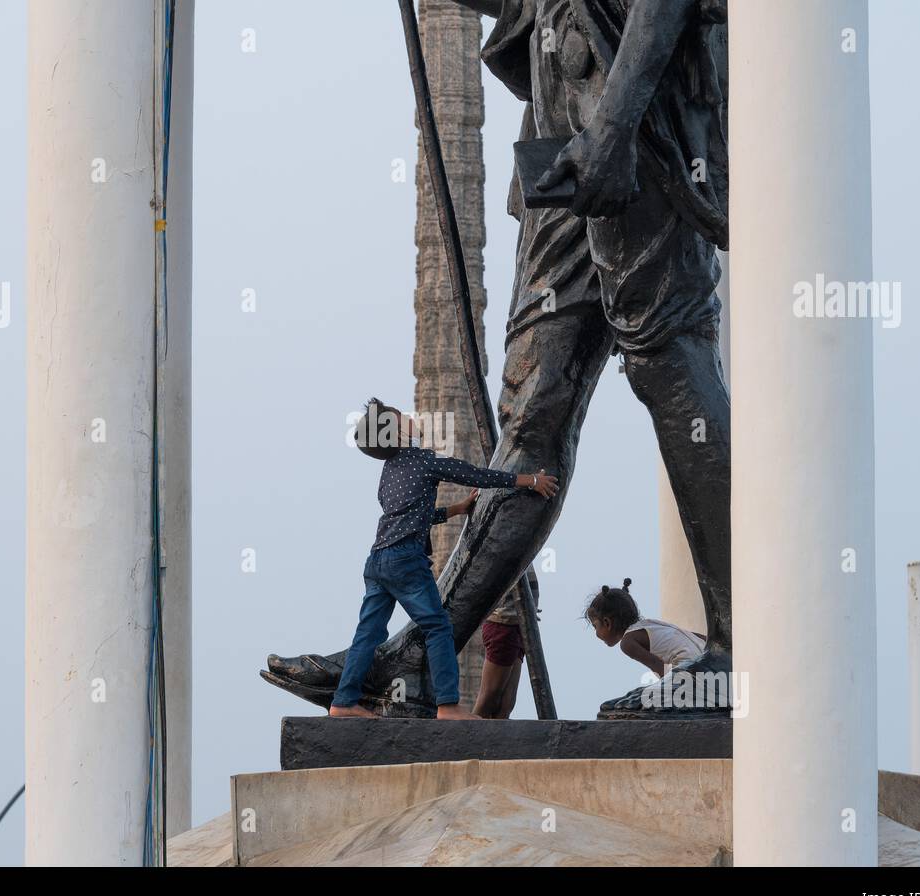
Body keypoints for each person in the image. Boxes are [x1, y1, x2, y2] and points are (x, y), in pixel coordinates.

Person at [264, 0, 732, 716]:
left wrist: (612, 127)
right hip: (560, 144)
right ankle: (421, 654)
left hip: (641, 130)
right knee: (533, 406)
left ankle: (739, 651)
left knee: (670, 362)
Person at [329, 399, 559, 720]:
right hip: (406, 561)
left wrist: (457, 509)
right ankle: (448, 705)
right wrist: (530, 481)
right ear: (394, 432)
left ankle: (343, 702)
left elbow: (416, 514)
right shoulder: (424, 461)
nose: (410, 418)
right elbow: (474, 474)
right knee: (438, 628)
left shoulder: (388, 473)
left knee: (368, 634)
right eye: (402, 417)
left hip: (378, 560)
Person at [585, 579, 705, 676]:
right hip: (707, 660)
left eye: (595, 626)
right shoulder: (652, 624)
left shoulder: (628, 643)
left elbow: (660, 668)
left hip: (691, 671)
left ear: (607, 623)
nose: (596, 633)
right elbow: (694, 636)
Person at [471, 569, 539, 719]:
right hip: (503, 622)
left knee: (506, 703)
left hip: (520, 624)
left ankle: (494, 741)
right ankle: (469, 738)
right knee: (490, 696)